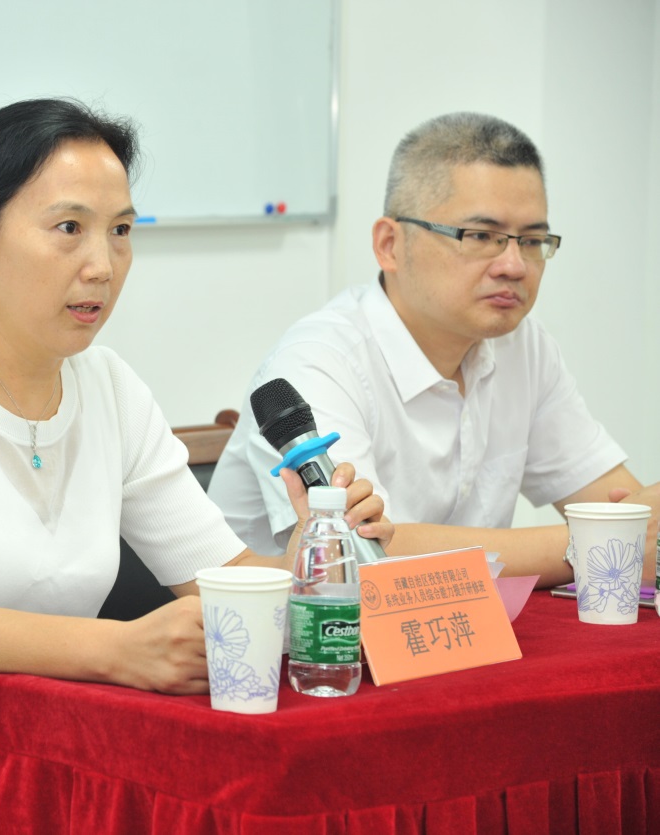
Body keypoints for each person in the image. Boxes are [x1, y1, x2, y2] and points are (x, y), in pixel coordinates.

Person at [0, 98, 389, 835]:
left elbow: (221, 578)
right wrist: (121, 650)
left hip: (40, 782)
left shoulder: (110, 387)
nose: (102, 265)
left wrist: (311, 559)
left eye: (120, 231)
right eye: (69, 229)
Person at [207, 111, 658, 588]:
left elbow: (625, 508)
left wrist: (627, 530)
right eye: (480, 236)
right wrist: (600, 543)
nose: (514, 266)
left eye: (532, 241)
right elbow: (362, 554)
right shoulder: (316, 362)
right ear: (390, 244)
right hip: (302, 631)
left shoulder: (523, 346)